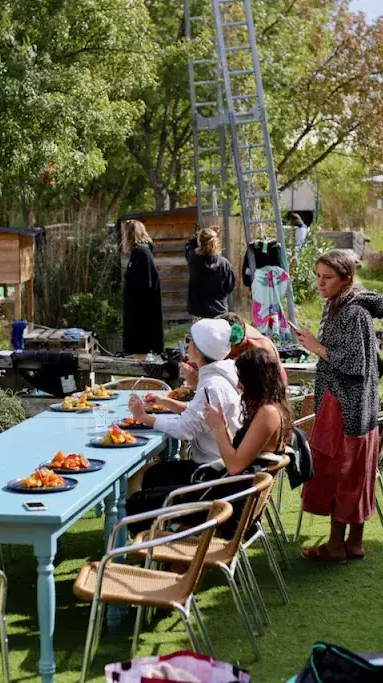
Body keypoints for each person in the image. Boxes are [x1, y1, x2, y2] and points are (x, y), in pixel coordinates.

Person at [127, 346, 290, 536]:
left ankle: (175, 538)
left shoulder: (267, 413)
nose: (238, 385)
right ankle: (170, 539)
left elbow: (235, 465)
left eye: (242, 378)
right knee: (155, 476)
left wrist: (219, 426)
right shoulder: (269, 407)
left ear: (256, 380)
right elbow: (237, 453)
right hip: (232, 489)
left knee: (138, 503)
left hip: (228, 504)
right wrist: (221, 425)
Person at [292, 249, 383, 562]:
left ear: (345, 279)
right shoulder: (340, 306)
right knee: (354, 473)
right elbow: (374, 362)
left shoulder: (353, 313)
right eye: (318, 276)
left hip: (346, 406)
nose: (320, 283)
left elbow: (356, 363)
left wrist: (316, 347)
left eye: (327, 278)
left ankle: (337, 546)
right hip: (354, 404)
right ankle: (353, 544)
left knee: (341, 473)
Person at [126, 318, 242, 496]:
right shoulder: (222, 376)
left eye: (189, 340)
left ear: (199, 349)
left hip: (212, 474)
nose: (187, 344)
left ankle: (143, 521)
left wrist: (143, 418)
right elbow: (198, 412)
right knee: (150, 473)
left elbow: (185, 430)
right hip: (218, 466)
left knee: (139, 482)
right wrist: (164, 402)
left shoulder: (212, 385)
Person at [121, 219, 164, 356]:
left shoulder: (141, 253)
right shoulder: (139, 252)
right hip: (138, 312)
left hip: (140, 315)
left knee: (140, 349)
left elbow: (145, 284)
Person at [186, 227, 236, 318]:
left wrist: (198, 235)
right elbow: (229, 287)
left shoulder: (193, 259)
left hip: (198, 311)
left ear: (199, 242)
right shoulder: (224, 263)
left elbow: (189, 246)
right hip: (219, 310)